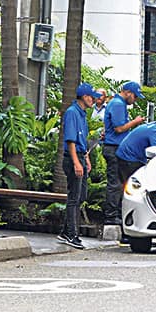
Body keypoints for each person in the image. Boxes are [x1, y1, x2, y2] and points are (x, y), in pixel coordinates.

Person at [101, 81, 147, 228]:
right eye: (135, 96)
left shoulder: (116, 103)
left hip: (114, 147)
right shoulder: (118, 104)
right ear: (127, 93)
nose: (135, 100)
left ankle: (116, 213)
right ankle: (111, 215)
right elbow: (119, 128)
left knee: (119, 182)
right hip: (114, 148)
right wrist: (136, 122)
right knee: (115, 183)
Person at [60, 83, 99, 249]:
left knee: (81, 196)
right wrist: (76, 162)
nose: (94, 100)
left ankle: (65, 230)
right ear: (84, 96)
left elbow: (81, 140)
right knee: (74, 197)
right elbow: (71, 140)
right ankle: (71, 234)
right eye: (92, 97)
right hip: (73, 158)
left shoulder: (82, 114)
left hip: (81, 156)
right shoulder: (72, 113)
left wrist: (86, 158)